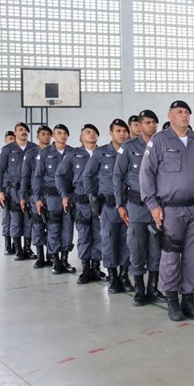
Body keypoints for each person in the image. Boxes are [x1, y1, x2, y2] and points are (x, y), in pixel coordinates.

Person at [140, 100, 194, 321]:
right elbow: (146, 175)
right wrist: (153, 206)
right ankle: (172, 299)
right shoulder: (159, 141)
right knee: (171, 256)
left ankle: (189, 299)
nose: (184, 115)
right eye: (179, 112)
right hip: (170, 211)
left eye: (187, 112)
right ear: (169, 115)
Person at [113, 109, 166, 306]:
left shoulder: (163, 145)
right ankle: (139, 290)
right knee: (136, 248)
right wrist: (120, 204)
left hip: (157, 206)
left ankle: (153, 288)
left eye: (154, 122)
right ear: (139, 125)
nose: (151, 126)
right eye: (147, 123)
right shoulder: (128, 147)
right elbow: (118, 176)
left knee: (156, 249)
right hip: (135, 205)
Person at [83, 119, 130, 288]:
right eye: (118, 131)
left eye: (125, 131)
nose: (122, 134)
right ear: (111, 133)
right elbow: (87, 176)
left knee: (127, 241)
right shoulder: (101, 153)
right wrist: (93, 197)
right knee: (108, 241)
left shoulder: (131, 151)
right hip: (108, 206)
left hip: (128, 204)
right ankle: (113, 277)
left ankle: (125, 275)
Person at [56, 124, 103, 280]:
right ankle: (86, 268)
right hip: (82, 203)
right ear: (81, 137)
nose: (92, 134)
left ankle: (96, 267)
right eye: (87, 132)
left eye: (94, 132)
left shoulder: (104, 153)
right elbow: (60, 175)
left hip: (100, 202)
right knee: (84, 235)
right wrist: (65, 195)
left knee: (99, 235)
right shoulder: (73, 155)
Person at [0, 122, 38, 261]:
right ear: (15, 133)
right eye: (20, 130)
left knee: (28, 220)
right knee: (15, 220)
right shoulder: (7, 149)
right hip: (13, 190)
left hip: (29, 190)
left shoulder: (34, 149)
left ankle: (27, 248)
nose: (23, 132)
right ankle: (18, 249)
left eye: (25, 130)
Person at [33, 124, 73, 273]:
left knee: (68, 228)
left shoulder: (72, 152)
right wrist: (37, 198)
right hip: (52, 197)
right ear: (54, 136)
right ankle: (55, 260)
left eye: (65, 133)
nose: (62, 135)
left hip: (69, 196)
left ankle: (65, 259)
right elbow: (37, 177)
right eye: (59, 133)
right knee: (54, 227)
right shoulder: (45, 154)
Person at [20, 126, 52, 267]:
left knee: (53, 226)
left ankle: (51, 255)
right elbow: (25, 176)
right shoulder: (31, 154)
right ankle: (40, 256)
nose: (46, 137)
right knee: (38, 225)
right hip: (36, 196)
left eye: (48, 134)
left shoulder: (55, 153)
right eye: (43, 134)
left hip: (51, 195)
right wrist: (22, 196)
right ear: (38, 137)